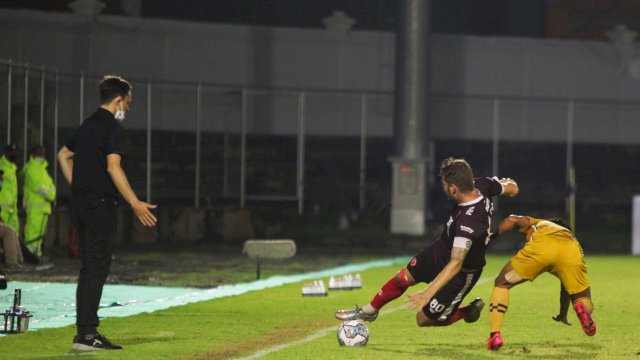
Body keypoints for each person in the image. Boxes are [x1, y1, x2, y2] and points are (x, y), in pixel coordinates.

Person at [336, 157, 519, 330]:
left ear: (453, 188)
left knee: (423, 319)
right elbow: (512, 187)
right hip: (442, 249)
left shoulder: (468, 223)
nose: (443, 189)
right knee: (403, 278)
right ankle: (369, 311)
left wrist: (427, 292)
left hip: (463, 271)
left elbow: (456, 263)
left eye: (444, 185)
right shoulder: (482, 184)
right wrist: (509, 187)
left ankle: (466, 311)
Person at [57, 75, 157, 351]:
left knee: (89, 268)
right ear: (119, 100)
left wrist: (79, 186)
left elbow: (63, 155)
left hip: (81, 204)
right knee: (97, 268)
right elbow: (114, 167)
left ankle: (84, 333)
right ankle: (87, 335)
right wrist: (135, 203)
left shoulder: (87, 124)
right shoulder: (112, 127)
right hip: (100, 206)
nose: (128, 107)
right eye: (128, 102)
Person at [486, 215, 596, 351]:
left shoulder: (539, 223)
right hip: (570, 252)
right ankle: (581, 306)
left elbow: (512, 220)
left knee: (502, 283)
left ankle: (495, 335)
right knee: (582, 298)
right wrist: (563, 314)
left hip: (542, 248)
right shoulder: (571, 237)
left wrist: (491, 237)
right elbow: (567, 287)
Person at [21, 145, 56, 261]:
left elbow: (50, 186)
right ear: (34, 153)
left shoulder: (42, 168)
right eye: (40, 152)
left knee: (39, 234)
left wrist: (50, 192)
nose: (42, 154)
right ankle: (29, 256)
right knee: (32, 232)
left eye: (43, 152)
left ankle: (36, 255)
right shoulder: (32, 168)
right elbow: (39, 187)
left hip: (43, 208)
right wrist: (51, 195)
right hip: (35, 208)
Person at [0, 144, 19, 233]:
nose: (14, 154)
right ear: (6, 153)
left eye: (15, 152)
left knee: (13, 235)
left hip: (12, 209)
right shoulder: (1, 166)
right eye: (12, 152)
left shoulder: (12, 168)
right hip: (2, 209)